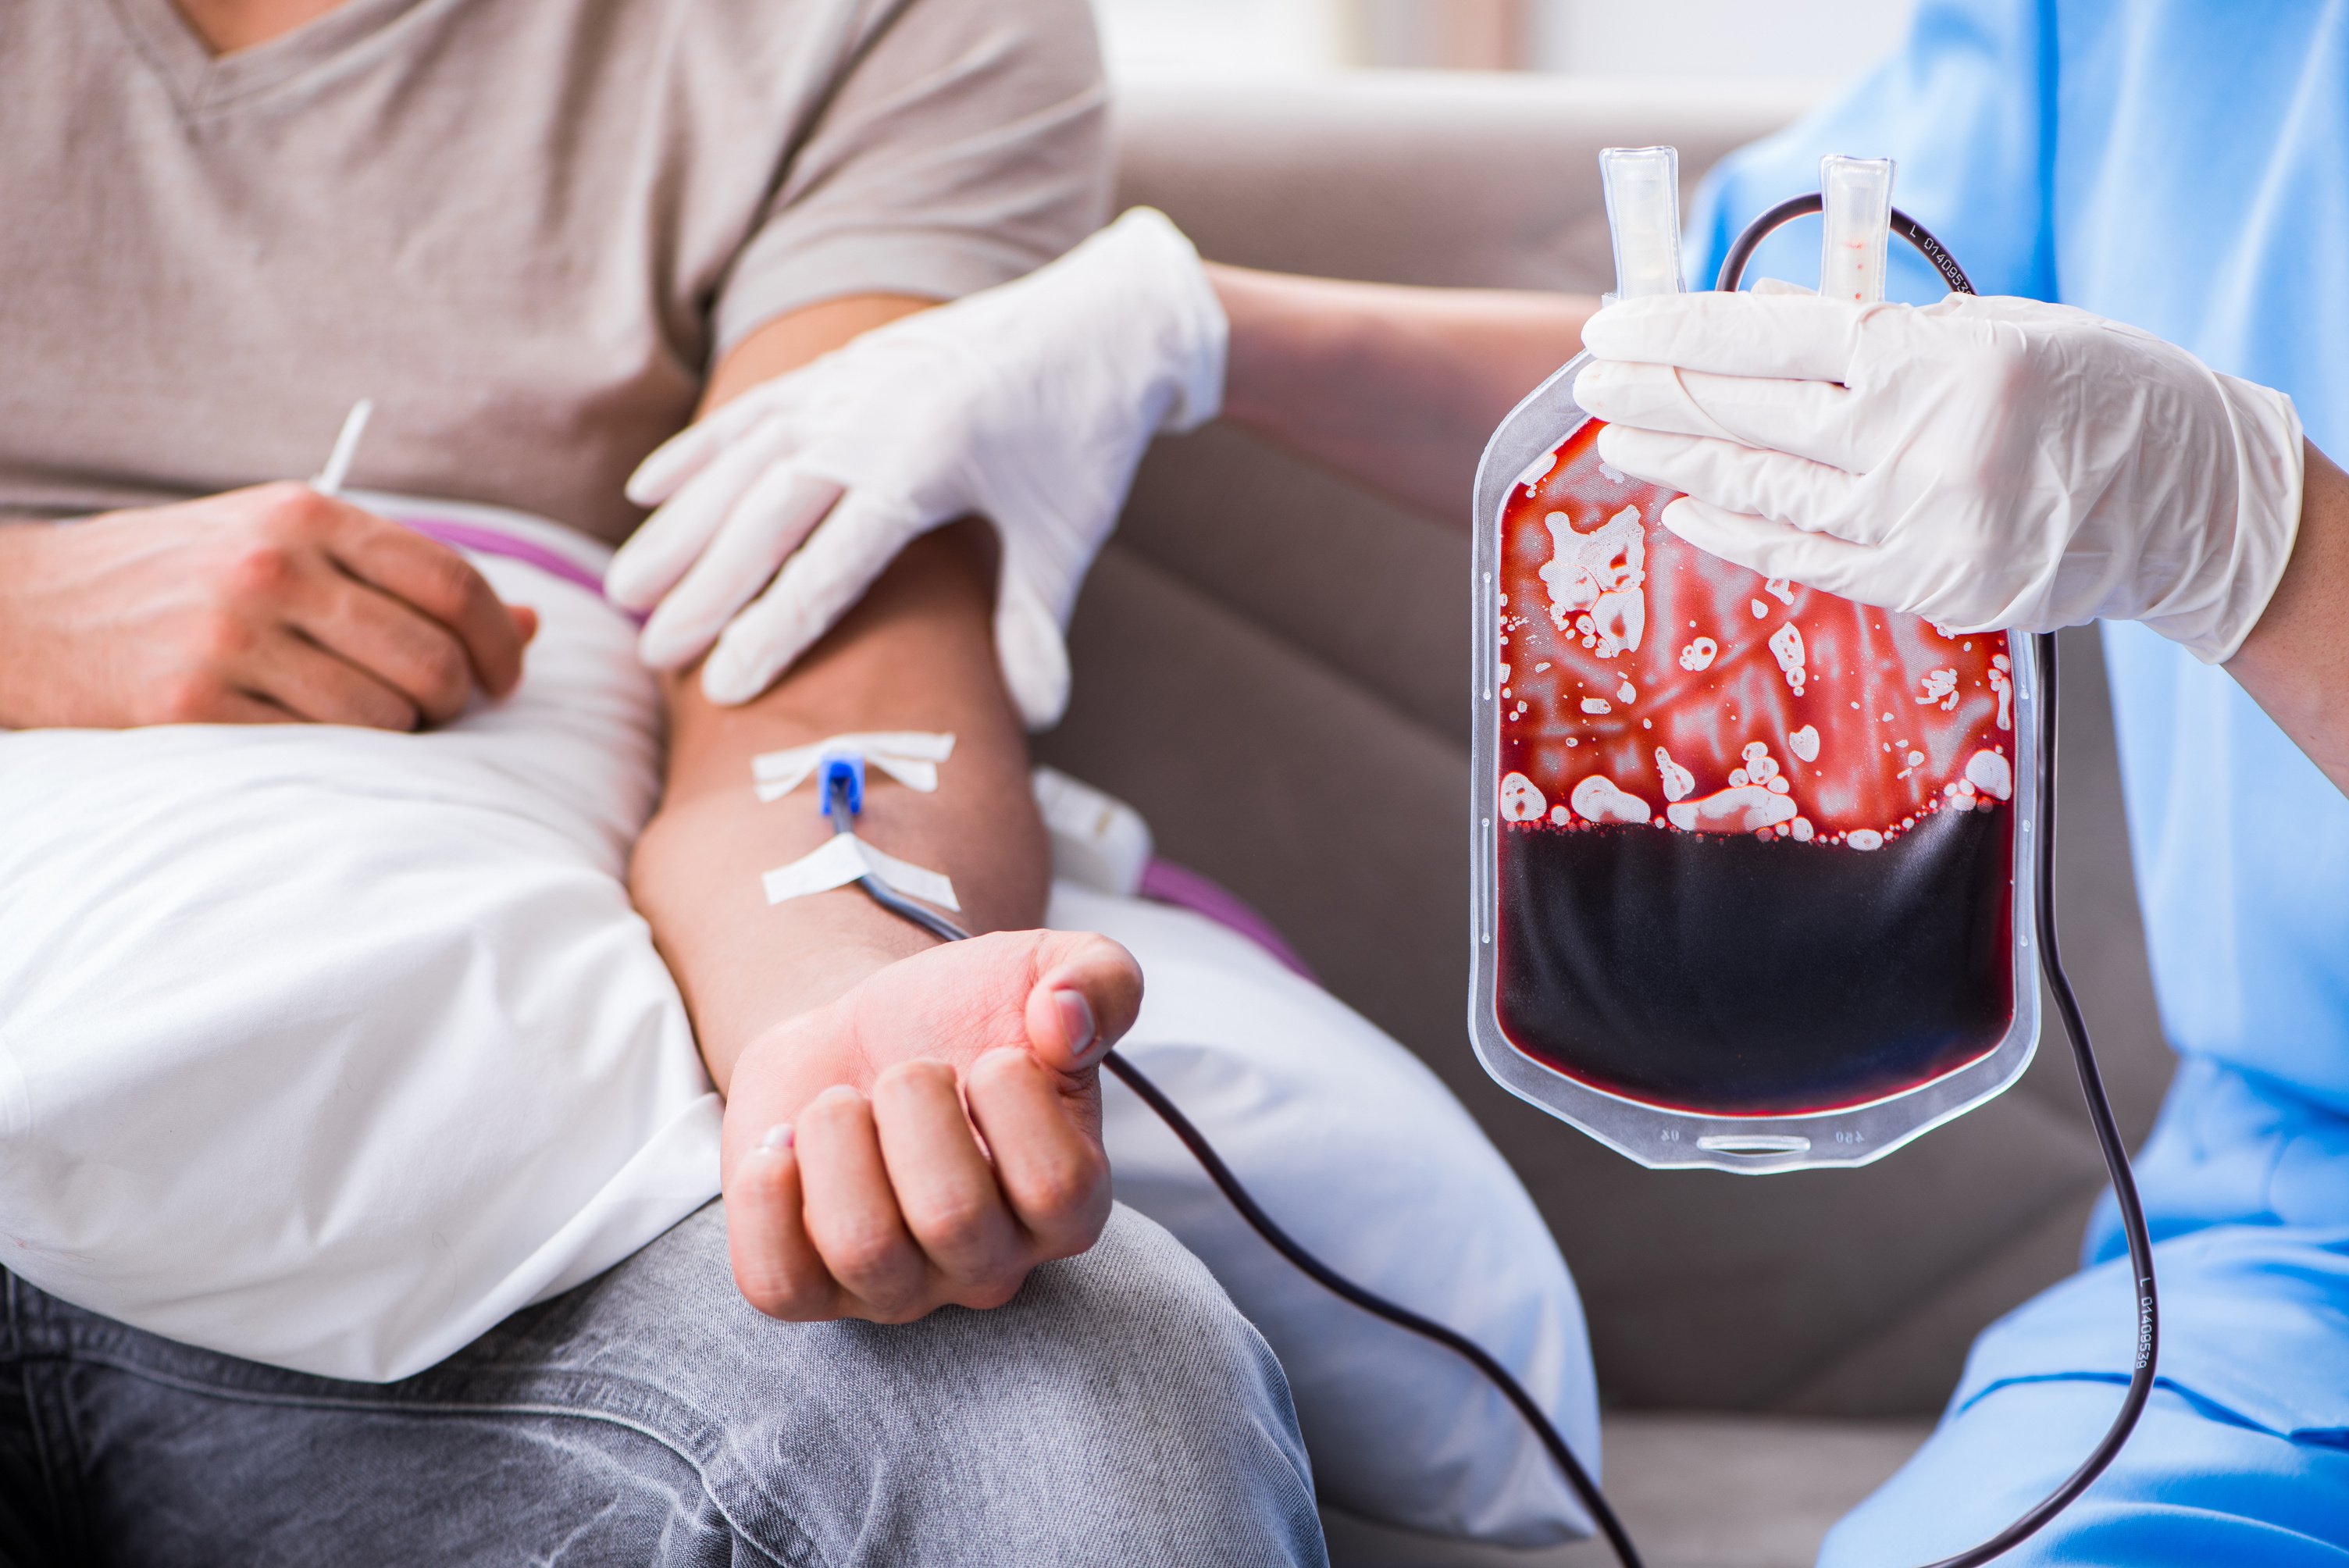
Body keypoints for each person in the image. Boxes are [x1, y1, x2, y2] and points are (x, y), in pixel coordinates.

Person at [623, 1, 2349, 1559]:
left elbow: (2143, 485)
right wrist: (1201, 331)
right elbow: (1766, 420)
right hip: (2285, 1251)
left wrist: (2277, 550)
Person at [0, 0, 1601, 1559]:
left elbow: (828, 662)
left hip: (514, 1238)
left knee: (1083, 1391)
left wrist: (836, 998)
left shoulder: (869, 28)